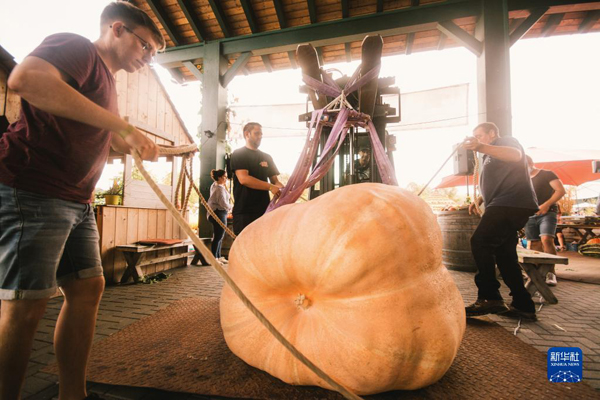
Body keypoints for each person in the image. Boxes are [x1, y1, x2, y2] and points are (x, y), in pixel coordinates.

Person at [0, 2, 164, 399]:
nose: (148, 59)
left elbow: (94, 132)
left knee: (88, 288)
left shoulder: (106, 82)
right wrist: (123, 127)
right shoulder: (77, 47)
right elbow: (25, 79)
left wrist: (128, 140)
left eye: (154, 54)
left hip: (77, 200)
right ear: (117, 29)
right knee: (25, 306)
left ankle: (73, 395)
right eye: (146, 46)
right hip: (35, 189)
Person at [463, 122, 539, 321]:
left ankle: (490, 297)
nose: (477, 139)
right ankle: (523, 305)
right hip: (506, 203)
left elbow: (515, 155)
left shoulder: (505, 141)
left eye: (480, 135)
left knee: (480, 242)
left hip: (511, 203)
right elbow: (501, 180)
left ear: (492, 133)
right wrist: (481, 199)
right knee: (505, 255)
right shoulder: (489, 155)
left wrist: (480, 146)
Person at [230, 122, 283, 235]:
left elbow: (275, 181)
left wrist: (285, 190)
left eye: (261, 134)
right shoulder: (239, 154)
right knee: (245, 245)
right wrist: (270, 187)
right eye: (256, 133)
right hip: (244, 212)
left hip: (264, 211)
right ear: (247, 134)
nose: (260, 137)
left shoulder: (267, 157)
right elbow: (244, 179)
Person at [524, 155, 566, 286]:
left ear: (530, 163)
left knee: (547, 239)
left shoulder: (547, 174)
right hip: (529, 214)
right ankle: (537, 274)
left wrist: (546, 205)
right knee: (533, 243)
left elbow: (560, 191)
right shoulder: (521, 178)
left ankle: (550, 273)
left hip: (548, 212)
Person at [207, 169, 232, 261]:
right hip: (218, 212)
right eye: (224, 177)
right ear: (219, 177)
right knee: (218, 236)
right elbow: (223, 203)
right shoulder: (219, 189)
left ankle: (218, 256)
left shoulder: (215, 185)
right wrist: (232, 207)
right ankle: (215, 258)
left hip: (217, 212)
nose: (226, 179)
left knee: (219, 236)